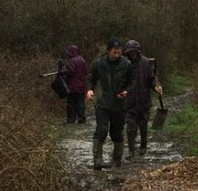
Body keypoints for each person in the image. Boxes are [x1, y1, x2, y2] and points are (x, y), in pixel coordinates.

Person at [86, 36, 133, 169]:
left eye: (119, 52)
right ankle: (97, 161)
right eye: (114, 52)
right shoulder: (99, 63)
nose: (117, 55)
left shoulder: (126, 64)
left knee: (116, 133)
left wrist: (127, 91)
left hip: (119, 104)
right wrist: (89, 90)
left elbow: (132, 82)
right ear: (108, 51)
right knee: (101, 130)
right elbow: (91, 78)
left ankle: (117, 160)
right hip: (103, 103)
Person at [123, 39, 162, 160]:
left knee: (143, 125)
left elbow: (151, 78)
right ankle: (131, 151)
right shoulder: (123, 63)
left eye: (135, 52)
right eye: (131, 52)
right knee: (130, 127)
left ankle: (143, 145)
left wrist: (156, 87)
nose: (133, 54)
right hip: (129, 101)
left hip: (144, 100)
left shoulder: (145, 63)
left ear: (138, 52)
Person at [62, 44, 87, 124]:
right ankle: (82, 119)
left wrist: (63, 72)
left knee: (71, 104)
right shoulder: (82, 60)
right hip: (82, 87)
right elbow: (86, 72)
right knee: (81, 104)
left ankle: (71, 120)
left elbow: (71, 71)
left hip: (73, 87)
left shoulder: (72, 60)